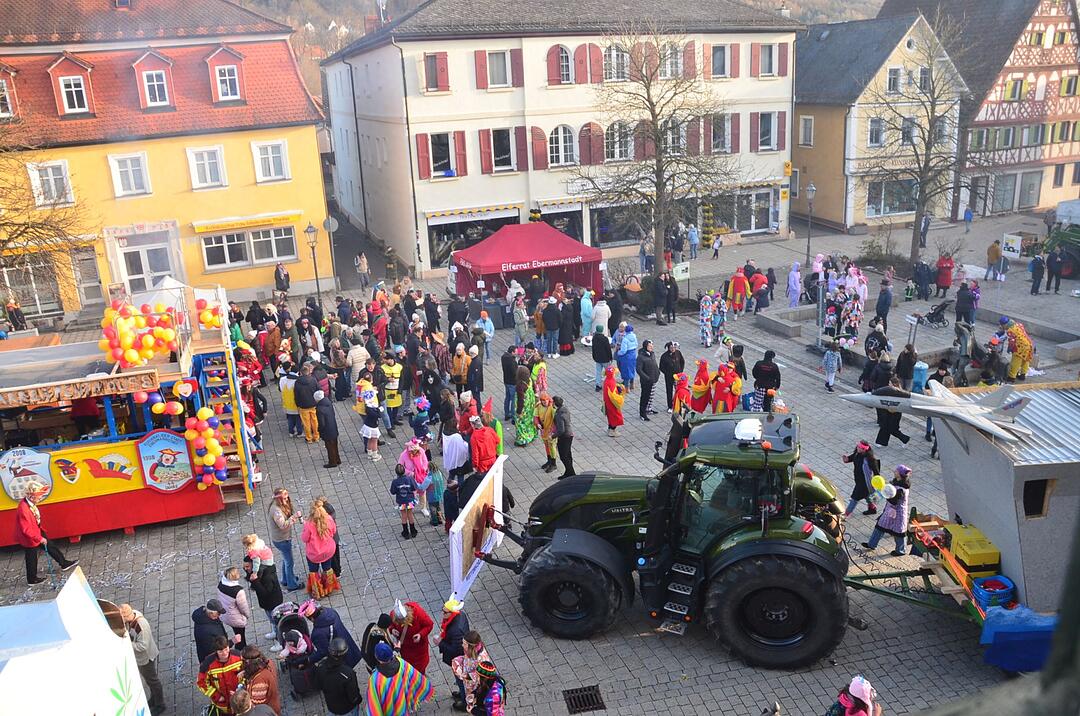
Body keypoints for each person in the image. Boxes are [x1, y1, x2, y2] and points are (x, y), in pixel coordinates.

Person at [14, 480, 77, 585]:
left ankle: (63, 563)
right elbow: (26, 530)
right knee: (31, 557)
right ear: (32, 497)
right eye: (39, 496)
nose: (40, 498)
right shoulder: (23, 509)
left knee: (50, 546)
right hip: (30, 537)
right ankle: (32, 579)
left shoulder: (29, 503)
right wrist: (39, 538)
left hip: (36, 531)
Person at [120, 604, 165, 715]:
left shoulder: (141, 627)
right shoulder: (131, 620)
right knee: (149, 680)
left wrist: (127, 644)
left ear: (126, 616)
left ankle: (160, 704)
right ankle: (153, 699)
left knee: (153, 681)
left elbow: (143, 646)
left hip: (145, 658)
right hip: (141, 657)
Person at [366, 642, 433, 716]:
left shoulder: (375, 679)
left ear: (376, 657)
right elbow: (413, 677)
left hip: (388, 707)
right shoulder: (401, 663)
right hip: (402, 700)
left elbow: (373, 701)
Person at [863, 465, 912, 557]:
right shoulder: (895, 482)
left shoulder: (902, 489)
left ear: (900, 474)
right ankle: (871, 544)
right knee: (880, 526)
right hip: (889, 510)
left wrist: (886, 494)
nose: (894, 471)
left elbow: (894, 501)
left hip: (898, 513)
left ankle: (900, 550)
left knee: (899, 532)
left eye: (896, 471)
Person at [301, 600, 363, 668]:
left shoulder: (317, 634)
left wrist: (309, 659)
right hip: (350, 647)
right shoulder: (331, 612)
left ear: (312, 618)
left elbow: (323, 651)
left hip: (340, 656)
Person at [437, 595, 471, 707]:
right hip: (460, 658)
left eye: (445, 612)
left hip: (459, 661)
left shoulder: (456, 630)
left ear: (453, 613)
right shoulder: (460, 616)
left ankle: (465, 702)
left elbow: (455, 650)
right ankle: (462, 694)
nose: (443, 614)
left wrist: (440, 643)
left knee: (461, 680)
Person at [301, 501, 340, 598]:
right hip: (328, 551)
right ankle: (328, 588)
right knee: (327, 568)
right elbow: (333, 531)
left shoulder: (309, 525)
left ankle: (317, 591)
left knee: (314, 572)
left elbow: (304, 539)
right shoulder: (329, 519)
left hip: (314, 554)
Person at [197, 635, 243, 715]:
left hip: (238, 698)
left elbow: (247, 673)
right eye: (220, 651)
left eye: (226, 649)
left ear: (229, 646)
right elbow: (201, 683)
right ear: (216, 651)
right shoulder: (208, 664)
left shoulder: (238, 657)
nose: (224, 653)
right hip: (221, 702)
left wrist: (241, 690)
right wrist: (216, 696)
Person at [316, 637, 363, 716]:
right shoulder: (348, 673)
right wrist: (358, 700)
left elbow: (318, 685)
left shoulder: (321, 666)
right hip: (347, 709)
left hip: (332, 707)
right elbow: (353, 696)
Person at [387, 599, 434, 674]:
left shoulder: (418, 614)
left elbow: (429, 625)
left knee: (419, 669)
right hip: (404, 649)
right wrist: (392, 629)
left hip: (418, 650)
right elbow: (390, 624)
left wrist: (420, 634)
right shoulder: (393, 614)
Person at [216, 566, 252, 650]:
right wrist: (247, 615)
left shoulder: (221, 584)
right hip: (236, 618)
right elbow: (243, 607)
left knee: (237, 633)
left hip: (225, 615)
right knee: (240, 637)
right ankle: (241, 651)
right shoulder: (238, 591)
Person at [842, 441, 880, 516]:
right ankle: (872, 508)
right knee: (867, 495)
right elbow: (850, 458)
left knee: (854, 498)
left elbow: (877, 473)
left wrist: (877, 483)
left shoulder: (870, 460)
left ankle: (846, 514)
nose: (858, 448)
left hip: (865, 483)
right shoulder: (857, 454)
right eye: (858, 446)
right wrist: (846, 459)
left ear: (865, 449)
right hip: (858, 480)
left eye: (860, 448)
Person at [240, 646, 281, 714]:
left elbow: (255, 705)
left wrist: (241, 696)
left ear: (248, 663)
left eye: (242, 661)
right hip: (273, 705)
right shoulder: (268, 663)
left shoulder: (259, 681)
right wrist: (245, 673)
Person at [391, 461, 420, 539]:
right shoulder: (409, 479)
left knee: (403, 516)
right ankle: (413, 531)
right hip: (410, 500)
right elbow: (414, 487)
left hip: (401, 501)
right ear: (404, 471)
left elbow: (393, 492)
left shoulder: (395, 482)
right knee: (410, 514)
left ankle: (405, 532)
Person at [550, 395, 576, 479]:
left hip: (564, 437)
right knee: (568, 455)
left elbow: (561, 430)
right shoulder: (565, 409)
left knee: (564, 456)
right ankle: (568, 472)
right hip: (569, 435)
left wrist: (553, 436)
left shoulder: (559, 415)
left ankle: (571, 473)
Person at [294, 363, 321, 443]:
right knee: (315, 421)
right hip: (313, 404)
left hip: (303, 406)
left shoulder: (297, 382)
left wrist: (298, 404)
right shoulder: (313, 380)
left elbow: (296, 395)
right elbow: (319, 389)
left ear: (301, 372)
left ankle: (309, 438)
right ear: (309, 372)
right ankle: (316, 436)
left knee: (306, 423)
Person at [514, 365, 538, 446]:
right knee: (529, 420)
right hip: (530, 405)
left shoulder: (520, 385)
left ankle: (523, 439)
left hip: (524, 407)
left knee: (521, 422)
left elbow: (520, 400)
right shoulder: (529, 380)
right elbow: (535, 389)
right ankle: (531, 435)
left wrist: (518, 411)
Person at [636, 339, 659, 421]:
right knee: (645, 397)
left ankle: (648, 409)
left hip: (654, 378)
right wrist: (647, 378)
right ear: (645, 346)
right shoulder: (641, 357)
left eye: (652, 345)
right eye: (649, 346)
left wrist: (658, 372)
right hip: (646, 381)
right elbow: (639, 370)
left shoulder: (652, 354)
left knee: (651, 396)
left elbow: (654, 364)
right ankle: (642, 414)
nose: (651, 347)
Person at [536, 392, 557, 473]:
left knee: (552, 447)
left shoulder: (552, 408)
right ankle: (549, 461)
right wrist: (537, 423)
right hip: (543, 431)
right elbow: (536, 416)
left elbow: (555, 420)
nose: (544, 402)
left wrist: (553, 431)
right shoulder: (538, 406)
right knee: (546, 446)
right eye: (542, 400)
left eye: (545, 400)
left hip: (551, 431)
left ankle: (553, 464)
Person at [602, 365, 625, 437]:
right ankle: (612, 431)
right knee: (615, 417)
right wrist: (620, 396)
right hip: (612, 404)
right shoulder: (611, 382)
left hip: (608, 403)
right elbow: (613, 396)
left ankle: (610, 429)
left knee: (611, 417)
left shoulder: (607, 380)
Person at [616, 324, 638, 391]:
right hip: (633, 355)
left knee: (626, 371)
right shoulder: (634, 336)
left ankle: (626, 387)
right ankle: (632, 384)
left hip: (626, 357)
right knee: (632, 369)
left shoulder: (625, 339)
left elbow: (623, 351)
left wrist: (618, 353)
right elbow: (636, 344)